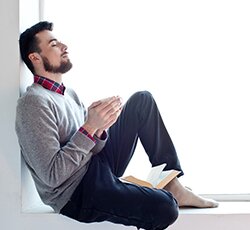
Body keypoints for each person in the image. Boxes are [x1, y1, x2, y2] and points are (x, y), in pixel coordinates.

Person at [16, 21, 218, 230]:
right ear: (35, 57)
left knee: (142, 101)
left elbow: (91, 148)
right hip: (77, 193)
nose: (64, 46)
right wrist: (89, 128)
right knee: (165, 208)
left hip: (95, 165)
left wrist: (100, 128)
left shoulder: (69, 94)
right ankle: (162, 194)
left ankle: (171, 180)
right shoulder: (33, 103)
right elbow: (52, 176)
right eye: (54, 44)